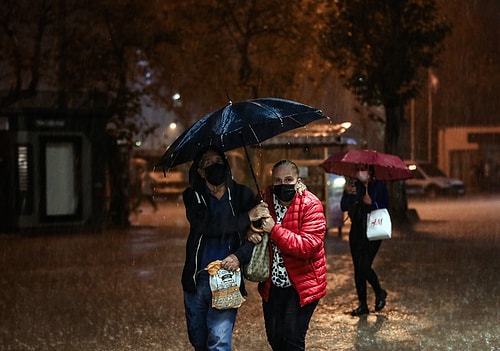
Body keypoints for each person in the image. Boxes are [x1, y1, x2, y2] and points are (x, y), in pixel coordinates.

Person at [181, 146, 268, 351]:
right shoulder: (193, 196)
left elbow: (257, 234)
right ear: (201, 171)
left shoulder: (242, 195)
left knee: (219, 342)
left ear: (226, 165)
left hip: (227, 278)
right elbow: (207, 226)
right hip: (197, 279)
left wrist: (239, 256)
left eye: (218, 161)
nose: (214, 166)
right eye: (208, 163)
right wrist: (247, 217)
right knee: (199, 340)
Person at [248, 159, 327, 351]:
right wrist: (249, 231)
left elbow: (308, 246)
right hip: (272, 285)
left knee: (292, 340)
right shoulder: (264, 199)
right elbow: (247, 222)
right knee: (275, 338)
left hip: (301, 284)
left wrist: (274, 230)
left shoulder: (311, 205)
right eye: (277, 181)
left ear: (298, 181)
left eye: (288, 179)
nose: (283, 185)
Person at [340, 163, 389, 316]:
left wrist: (372, 204)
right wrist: (348, 194)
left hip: (373, 231)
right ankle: (363, 304)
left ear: (370, 171)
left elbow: (386, 206)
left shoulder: (379, 186)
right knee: (357, 269)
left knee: (364, 266)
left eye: (364, 169)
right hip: (356, 231)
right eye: (359, 169)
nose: (361, 172)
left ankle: (379, 291)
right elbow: (343, 207)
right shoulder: (354, 186)